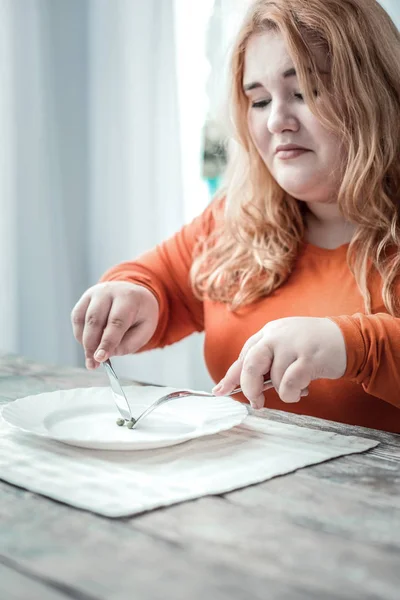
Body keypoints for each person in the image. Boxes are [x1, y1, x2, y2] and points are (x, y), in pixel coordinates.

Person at [71, 0, 400, 433]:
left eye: (304, 92)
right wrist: (134, 293)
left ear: (374, 92)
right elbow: (161, 282)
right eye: (259, 100)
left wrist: (356, 346)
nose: (277, 121)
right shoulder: (235, 216)